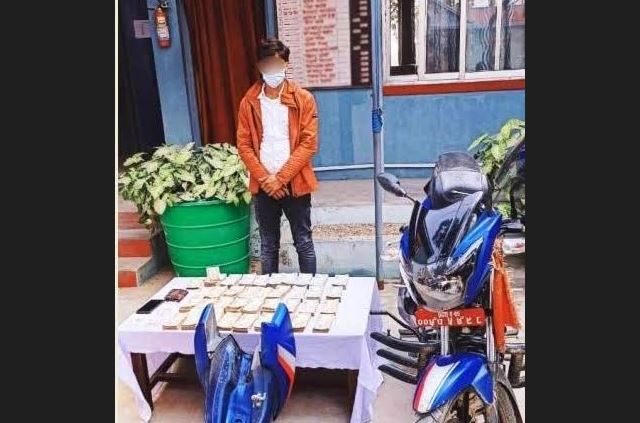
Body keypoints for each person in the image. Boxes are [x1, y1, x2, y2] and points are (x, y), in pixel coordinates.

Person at [236, 38, 318, 275]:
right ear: (259, 66)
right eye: (267, 64)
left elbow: (308, 143)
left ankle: (311, 290)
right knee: (268, 244)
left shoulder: (303, 99)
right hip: (264, 186)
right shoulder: (249, 102)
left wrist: (280, 179)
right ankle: (269, 291)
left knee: (303, 241)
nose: (272, 70)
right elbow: (244, 145)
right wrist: (266, 179)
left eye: (277, 64)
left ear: (286, 64)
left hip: (295, 183)